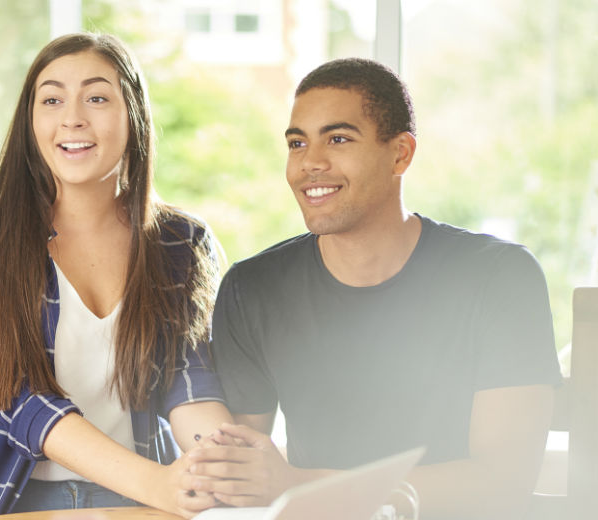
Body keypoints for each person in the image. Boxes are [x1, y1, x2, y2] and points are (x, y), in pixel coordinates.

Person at [187, 58, 562, 520]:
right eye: (297, 143)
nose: (310, 163)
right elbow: (239, 473)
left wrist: (296, 484)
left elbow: (504, 483)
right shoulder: (252, 287)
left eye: (338, 139)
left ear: (401, 154)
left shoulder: (501, 278)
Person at [0, 33, 232, 520]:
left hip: (142, 502)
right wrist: (158, 484)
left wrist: (217, 466)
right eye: (52, 99)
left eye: (97, 98)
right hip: (13, 502)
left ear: (133, 116)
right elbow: (20, 399)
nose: (72, 117)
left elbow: (191, 383)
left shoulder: (181, 241)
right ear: (31, 122)